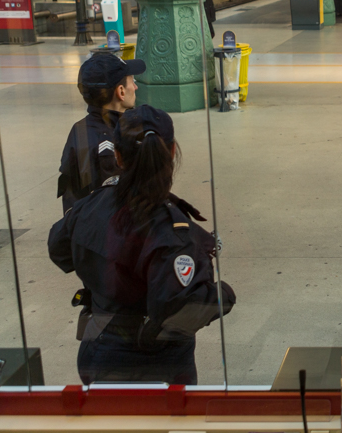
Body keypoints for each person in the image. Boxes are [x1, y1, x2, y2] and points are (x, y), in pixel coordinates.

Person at [48, 105, 236, 384]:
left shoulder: (90, 207)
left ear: (119, 157)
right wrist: (222, 295)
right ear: (171, 153)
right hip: (157, 364)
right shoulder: (171, 230)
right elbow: (177, 308)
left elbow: (59, 249)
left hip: (97, 349)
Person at [58, 55, 146, 212]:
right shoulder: (111, 145)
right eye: (132, 81)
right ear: (121, 92)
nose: (135, 87)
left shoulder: (79, 129)